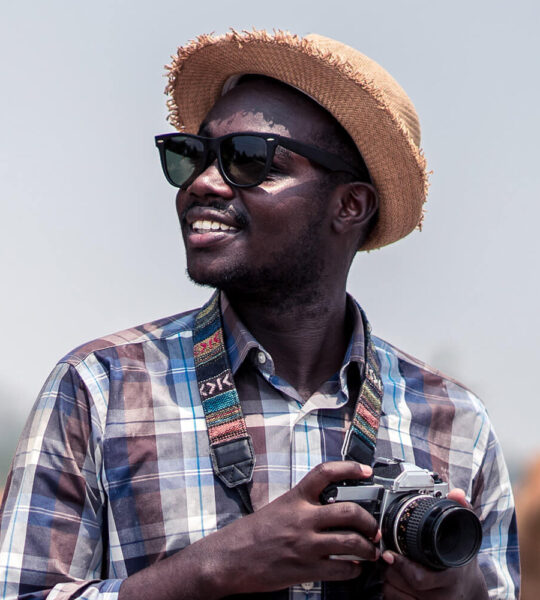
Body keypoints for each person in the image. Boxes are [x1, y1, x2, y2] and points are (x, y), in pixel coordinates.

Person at [0, 30, 519, 599]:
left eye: (248, 160)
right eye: (192, 156)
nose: (202, 183)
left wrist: (459, 591)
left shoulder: (455, 422)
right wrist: (216, 567)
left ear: (350, 205)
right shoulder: (101, 388)